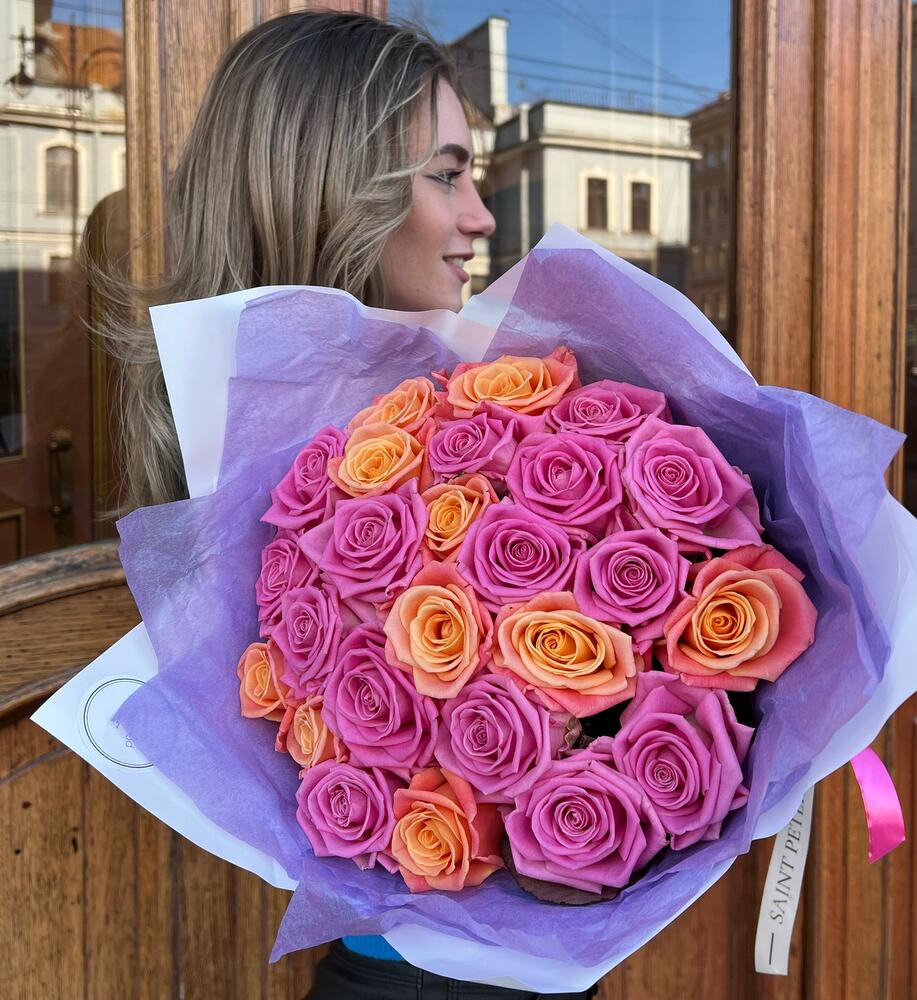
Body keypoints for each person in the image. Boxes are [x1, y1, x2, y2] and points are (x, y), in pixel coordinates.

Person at [88, 11, 599, 1000]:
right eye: (446, 175)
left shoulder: (503, 416)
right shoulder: (238, 473)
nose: (482, 217)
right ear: (334, 190)